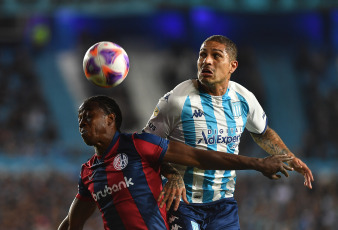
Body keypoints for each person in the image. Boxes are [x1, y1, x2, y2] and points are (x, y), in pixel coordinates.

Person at [143, 35, 314, 229]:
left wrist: (289, 157)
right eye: (202, 55)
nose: (206, 60)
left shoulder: (244, 98)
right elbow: (147, 145)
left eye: (216, 56)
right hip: (182, 203)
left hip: (223, 205)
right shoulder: (177, 99)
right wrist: (171, 174)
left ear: (232, 66)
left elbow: (262, 133)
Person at [58, 95, 293, 230]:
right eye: (79, 119)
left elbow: (199, 157)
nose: (82, 123)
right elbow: (73, 223)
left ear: (110, 119)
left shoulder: (138, 145)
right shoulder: (88, 172)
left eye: (88, 116)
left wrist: (257, 164)